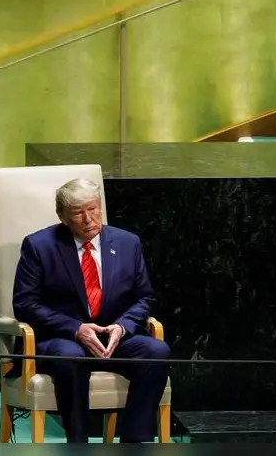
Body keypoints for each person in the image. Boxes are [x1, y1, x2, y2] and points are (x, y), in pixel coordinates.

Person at [11, 178, 171, 443]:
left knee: (157, 351)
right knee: (72, 356)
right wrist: (76, 329)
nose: (88, 219)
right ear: (62, 216)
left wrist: (122, 327)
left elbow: (145, 297)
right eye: (78, 212)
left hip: (113, 337)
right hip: (61, 339)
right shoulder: (39, 246)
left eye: (93, 209)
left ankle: (133, 441)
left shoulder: (127, 243)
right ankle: (79, 442)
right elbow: (25, 304)